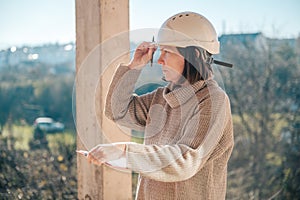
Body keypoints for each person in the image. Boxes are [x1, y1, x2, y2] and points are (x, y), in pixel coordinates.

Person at [79, 11, 234, 200]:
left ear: (193, 55)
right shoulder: (163, 97)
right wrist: (134, 67)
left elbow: (185, 161)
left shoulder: (213, 101)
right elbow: (117, 111)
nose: (159, 60)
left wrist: (126, 151)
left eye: (167, 52)